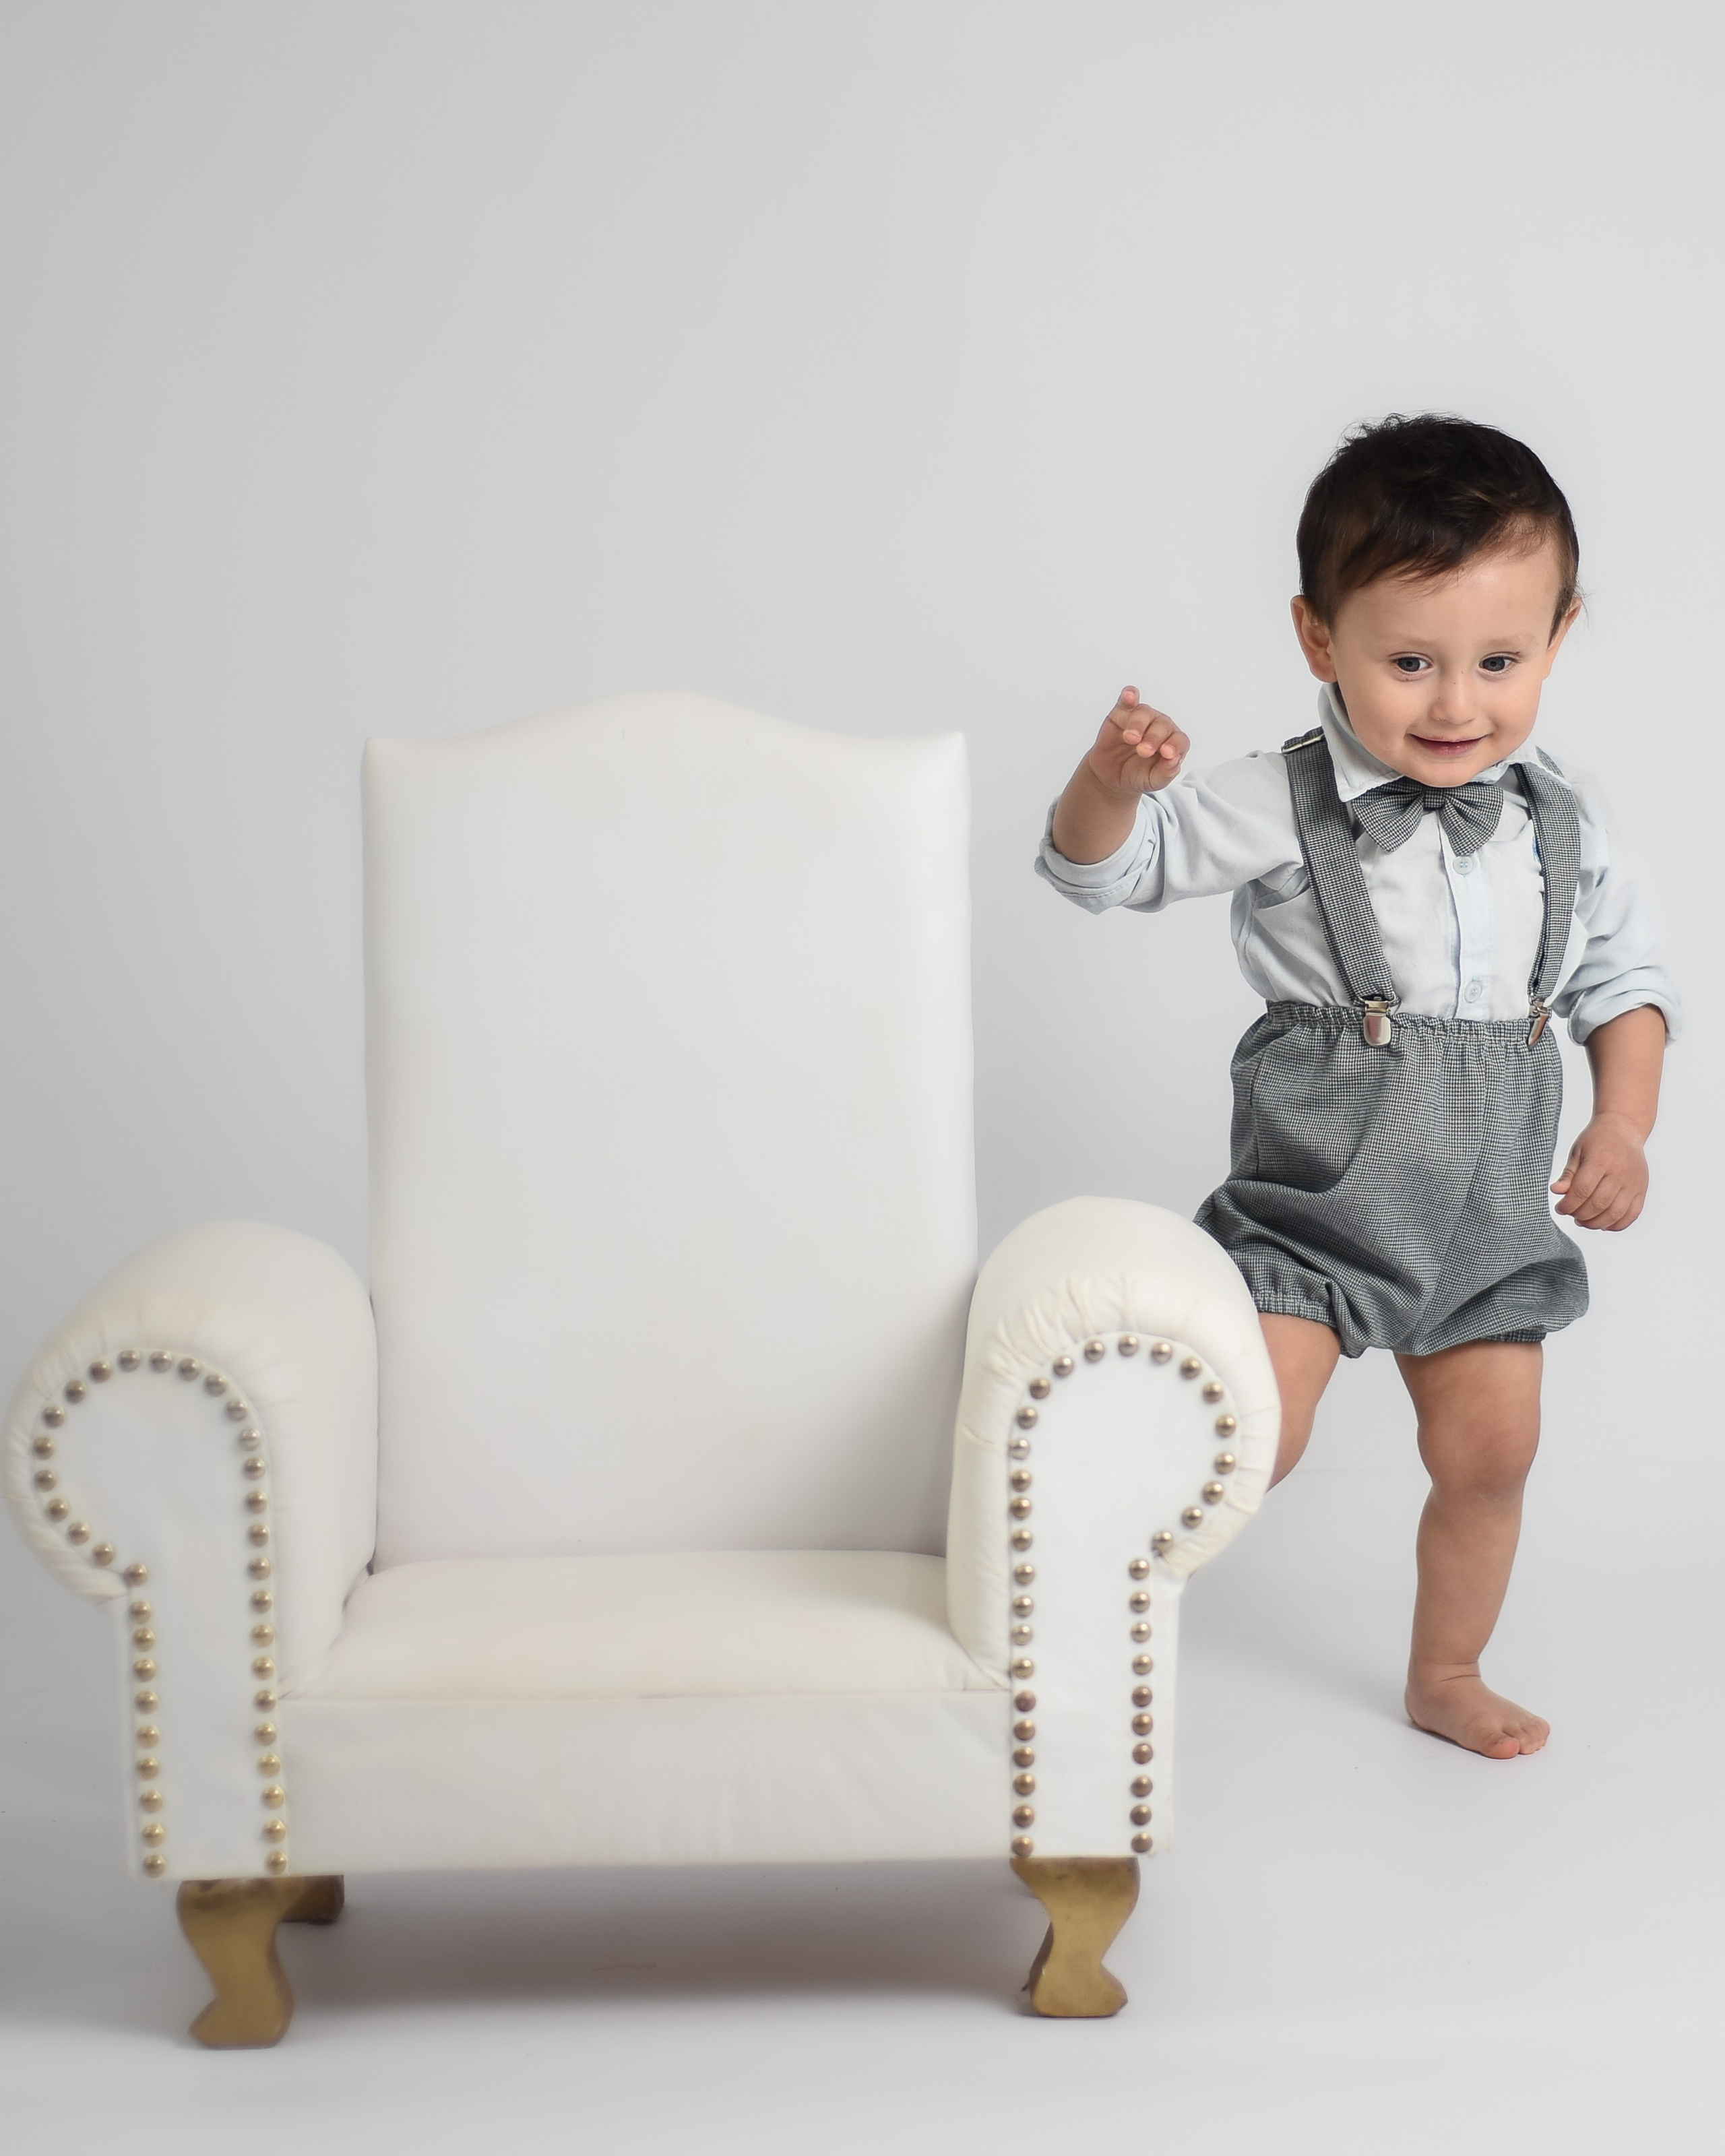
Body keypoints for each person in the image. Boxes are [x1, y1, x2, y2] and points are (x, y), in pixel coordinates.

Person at [1037, 414, 1678, 1760]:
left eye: (1497, 661)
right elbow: (1105, 873)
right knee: (1244, 1434)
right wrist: (1106, 788)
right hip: (1311, 1214)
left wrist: (1621, 1120)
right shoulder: (1276, 798)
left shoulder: (1566, 817)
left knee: (1492, 1454)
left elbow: (1622, 987)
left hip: (1485, 1221)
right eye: (1407, 661)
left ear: (1558, 636)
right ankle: (1077, 1613)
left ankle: (1444, 1668)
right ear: (1316, 640)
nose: (1453, 704)